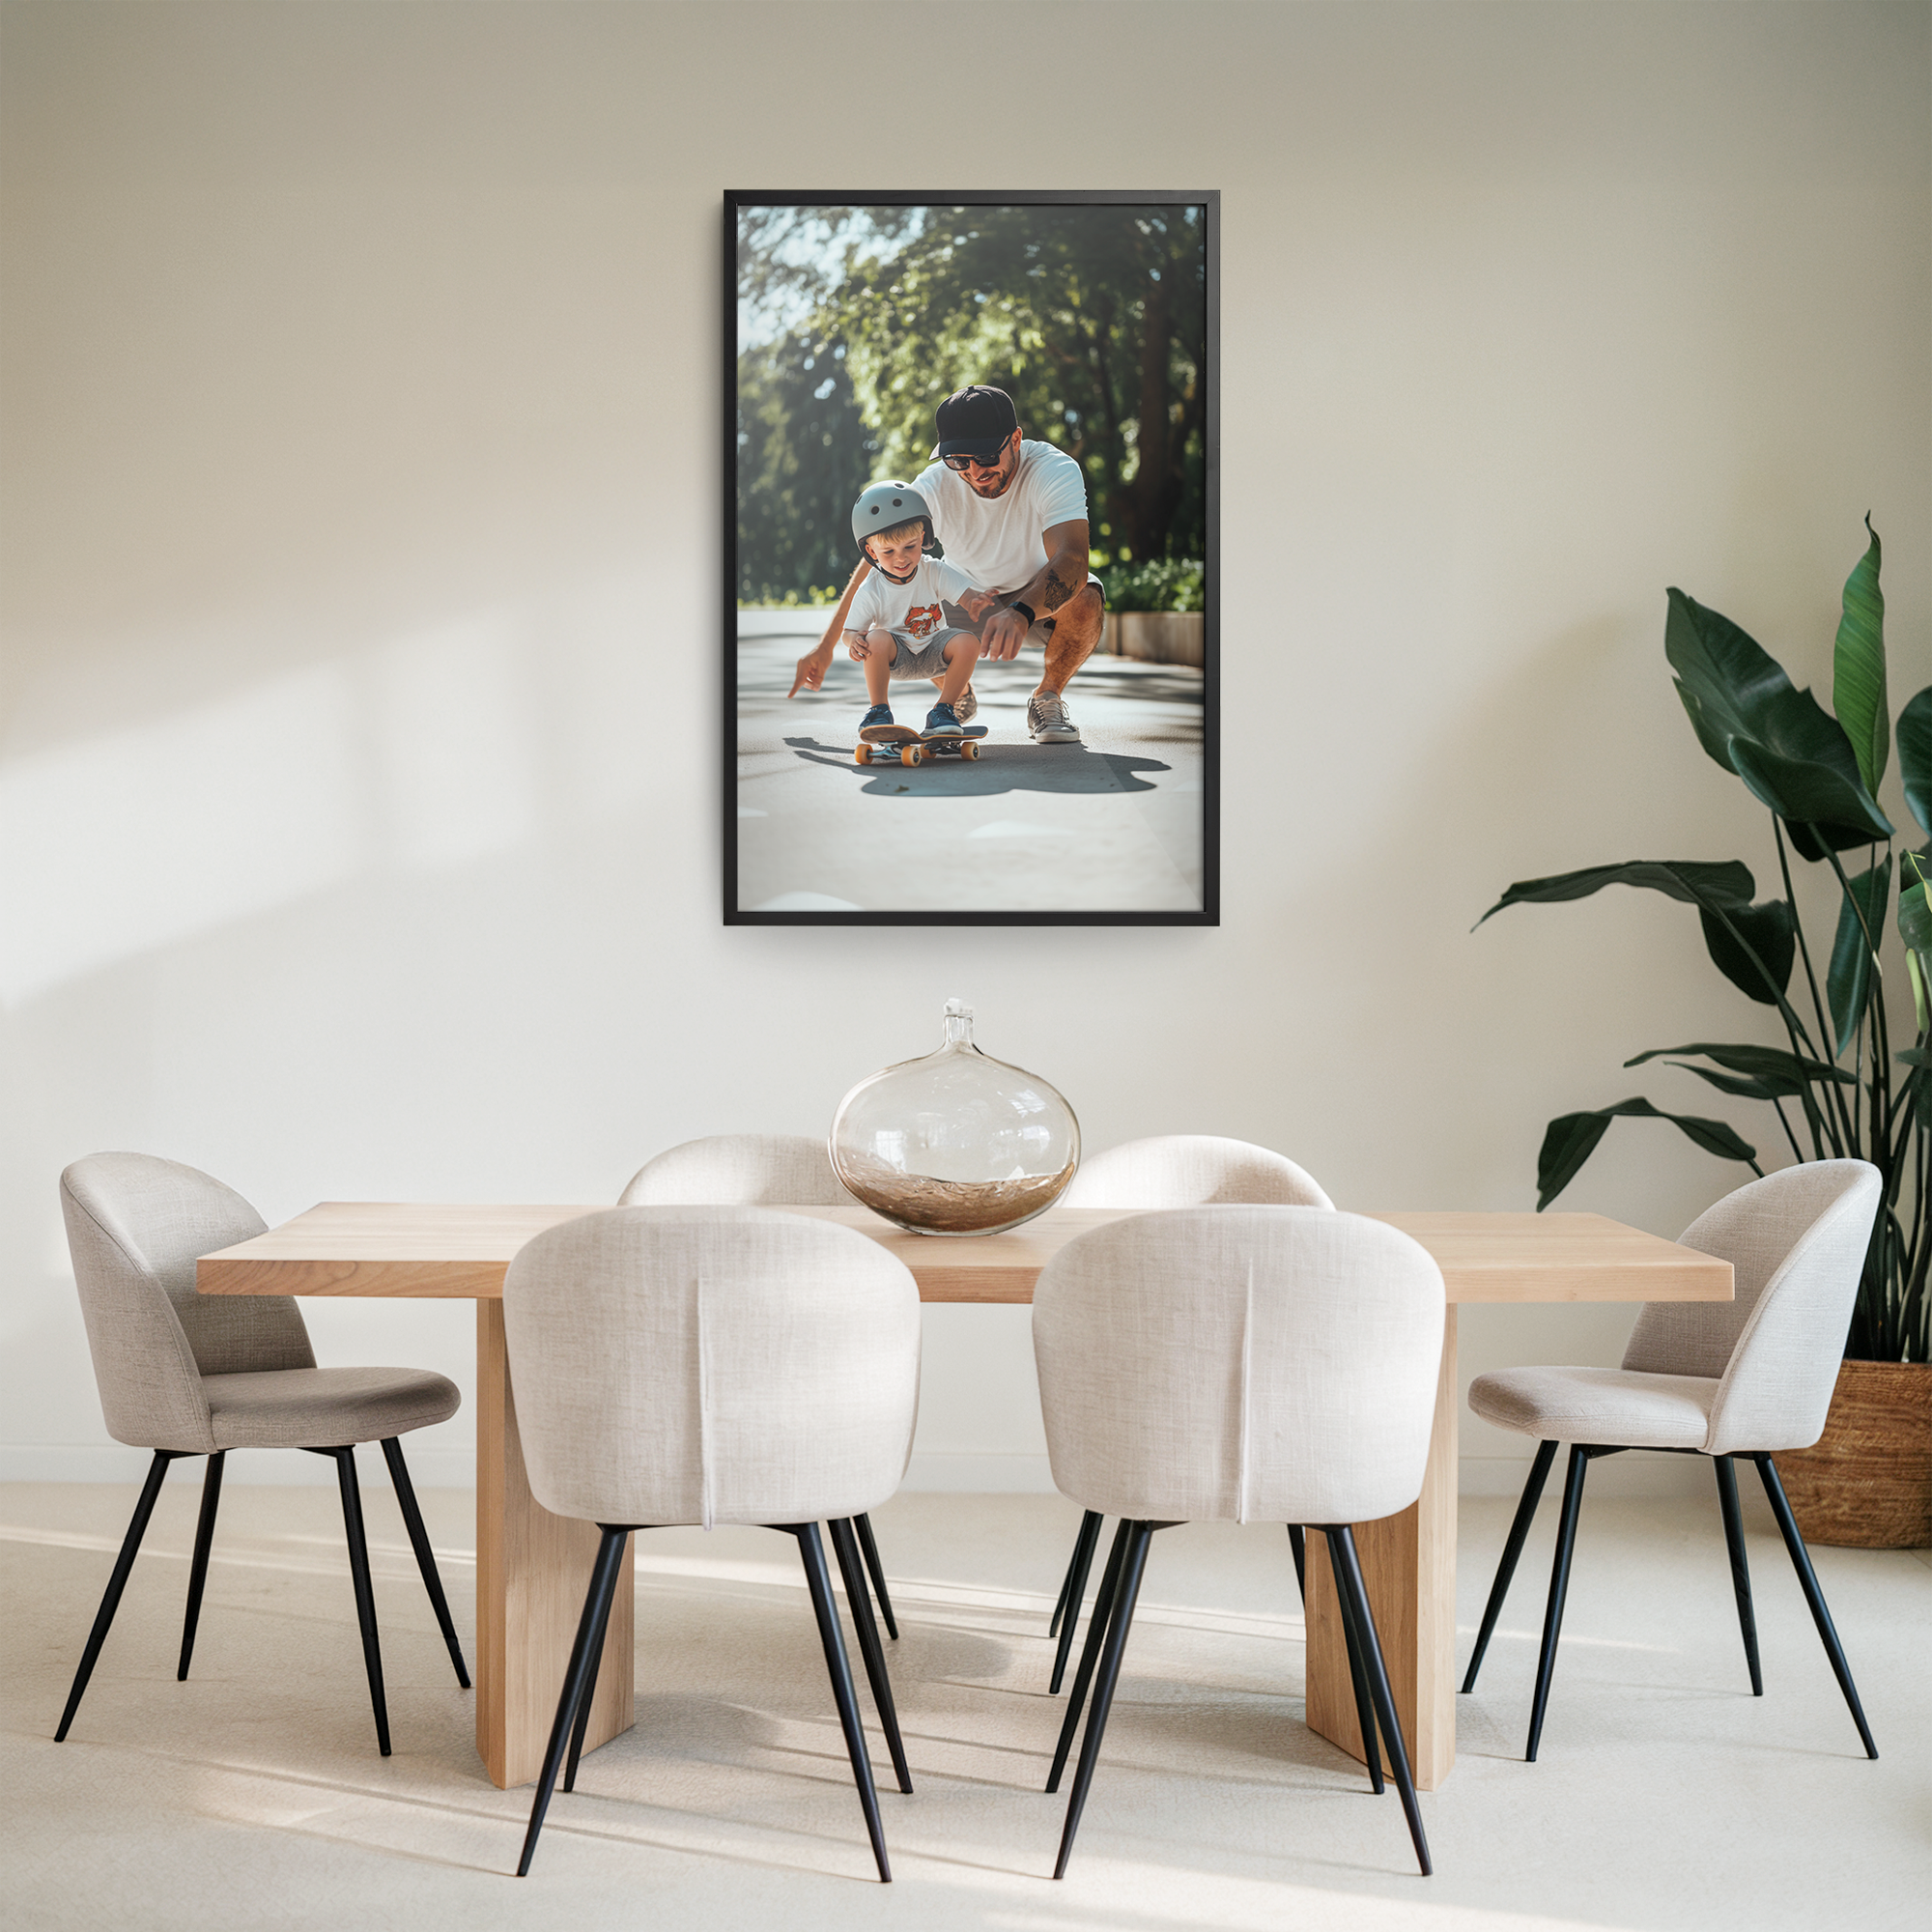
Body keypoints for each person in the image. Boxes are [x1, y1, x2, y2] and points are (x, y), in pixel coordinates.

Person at [790, 385, 1105, 745]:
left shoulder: (1052, 469)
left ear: (1015, 439)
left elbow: (1074, 559)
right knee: (898, 600)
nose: (974, 471)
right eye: (958, 460)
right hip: (961, 598)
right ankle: (956, 698)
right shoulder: (933, 487)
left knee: (1086, 599)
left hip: (1036, 598)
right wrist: (826, 646)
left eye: (986, 456)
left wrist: (1020, 611)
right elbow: (877, 563)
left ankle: (1047, 698)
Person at [842, 480, 994, 739]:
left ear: (922, 538)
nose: (900, 558)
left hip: (934, 650)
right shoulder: (871, 589)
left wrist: (974, 602)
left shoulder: (932, 570)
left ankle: (943, 711)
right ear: (871, 551)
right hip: (896, 656)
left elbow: (964, 594)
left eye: (909, 547)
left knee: (968, 642)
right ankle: (879, 711)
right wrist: (854, 640)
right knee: (875, 636)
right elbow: (850, 631)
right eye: (888, 551)